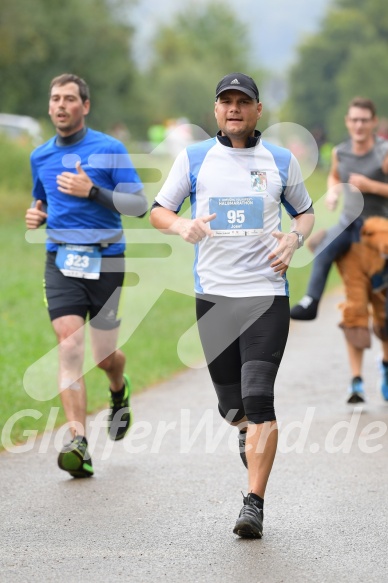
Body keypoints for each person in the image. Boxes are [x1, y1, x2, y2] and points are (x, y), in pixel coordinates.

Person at [149, 72, 314, 538]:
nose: (235, 108)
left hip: (266, 295)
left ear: (258, 110)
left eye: (244, 101)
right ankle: (245, 430)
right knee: (231, 406)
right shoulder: (195, 158)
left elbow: (305, 211)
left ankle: (253, 503)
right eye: (227, 101)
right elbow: (160, 209)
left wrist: (294, 238)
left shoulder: (280, 160)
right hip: (214, 297)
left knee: (259, 396)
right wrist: (181, 227)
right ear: (216, 110)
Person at [25, 74, 148, 478]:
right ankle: (78, 440)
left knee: (104, 357)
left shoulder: (110, 149)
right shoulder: (40, 155)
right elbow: (41, 199)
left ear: (86, 106)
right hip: (61, 261)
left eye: (69, 99)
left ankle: (118, 389)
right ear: (49, 106)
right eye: (55, 98)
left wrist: (92, 190)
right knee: (69, 343)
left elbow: (137, 205)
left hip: (107, 261)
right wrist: (36, 213)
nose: (61, 105)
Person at [290, 97, 388, 403]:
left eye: (364, 120)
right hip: (349, 228)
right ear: (347, 122)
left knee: (383, 313)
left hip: (378, 237)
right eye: (354, 120)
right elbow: (335, 175)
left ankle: (384, 365)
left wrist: (372, 187)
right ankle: (311, 300)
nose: (359, 125)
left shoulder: (383, 153)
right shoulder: (341, 152)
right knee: (354, 308)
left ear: (373, 122)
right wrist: (333, 191)